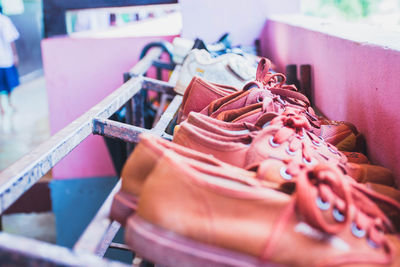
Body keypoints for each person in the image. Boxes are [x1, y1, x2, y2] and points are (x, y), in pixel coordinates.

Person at [0, 7, 19, 114]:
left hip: (5, 59)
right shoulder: (4, 20)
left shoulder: (4, 20)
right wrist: (15, 55)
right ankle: (9, 103)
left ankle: (3, 106)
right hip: (6, 59)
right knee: (9, 84)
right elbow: (11, 39)